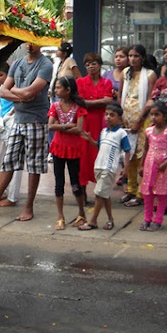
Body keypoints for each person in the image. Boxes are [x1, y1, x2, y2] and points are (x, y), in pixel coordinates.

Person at [0, 42, 53, 222]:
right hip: (17, 119)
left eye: (33, 42)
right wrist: (22, 96)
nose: (29, 45)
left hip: (36, 120)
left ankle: (29, 207)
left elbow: (29, 92)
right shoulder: (18, 63)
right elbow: (3, 92)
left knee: (34, 165)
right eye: (27, 41)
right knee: (9, 161)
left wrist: (16, 92)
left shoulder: (45, 65)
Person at [79, 103, 131, 231]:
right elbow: (99, 146)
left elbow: (127, 151)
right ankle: (110, 220)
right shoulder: (103, 132)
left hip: (109, 168)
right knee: (104, 194)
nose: (108, 117)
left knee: (99, 194)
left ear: (119, 118)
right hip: (99, 166)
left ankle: (93, 221)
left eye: (112, 115)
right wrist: (90, 139)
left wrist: (126, 168)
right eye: (106, 114)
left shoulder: (121, 134)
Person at [119, 44, 157, 207]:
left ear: (142, 58)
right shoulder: (125, 73)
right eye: (130, 56)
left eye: (136, 56)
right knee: (130, 154)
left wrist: (139, 120)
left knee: (142, 155)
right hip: (126, 118)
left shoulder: (150, 75)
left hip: (143, 119)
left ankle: (142, 192)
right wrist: (120, 117)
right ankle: (131, 190)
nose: (132, 59)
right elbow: (120, 96)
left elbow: (150, 100)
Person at [48, 76, 87, 230]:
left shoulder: (78, 107)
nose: (56, 90)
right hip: (58, 147)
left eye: (58, 88)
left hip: (73, 149)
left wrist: (60, 126)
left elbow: (79, 129)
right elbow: (50, 126)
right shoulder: (55, 106)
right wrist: (68, 126)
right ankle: (60, 216)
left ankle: (81, 213)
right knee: (59, 182)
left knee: (75, 182)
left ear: (68, 90)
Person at [76, 53, 113, 201]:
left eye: (94, 63)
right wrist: (100, 101)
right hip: (85, 122)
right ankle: (82, 191)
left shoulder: (107, 83)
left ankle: (101, 192)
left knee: (101, 155)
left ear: (100, 65)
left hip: (102, 123)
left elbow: (108, 101)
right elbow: (80, 102)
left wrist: (90, 102)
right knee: (83, 157)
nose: (91, 67)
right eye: (88, 64)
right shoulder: (80, 82)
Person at [138, 100, 167, 231]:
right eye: (152, 114)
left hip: (163, 166)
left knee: (161, 193)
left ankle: (158, 220)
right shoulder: (148, 131)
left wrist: (166, 163)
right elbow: (146, 148)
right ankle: (147, 218)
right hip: (150, 164)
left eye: (157, 114)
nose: (153, 117)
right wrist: (141, 165)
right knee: (147, 193)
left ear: (165, 116)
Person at [0, 64, 23, 207]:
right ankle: (4, 190)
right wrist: (1, 120)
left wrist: (6, 119)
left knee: (14, 162)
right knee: (1, 160)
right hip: (2, 127)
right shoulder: (1, 90)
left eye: (1, 75)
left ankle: (12, 196)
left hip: (14, 125)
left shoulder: (17, 88)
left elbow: (18, 106)